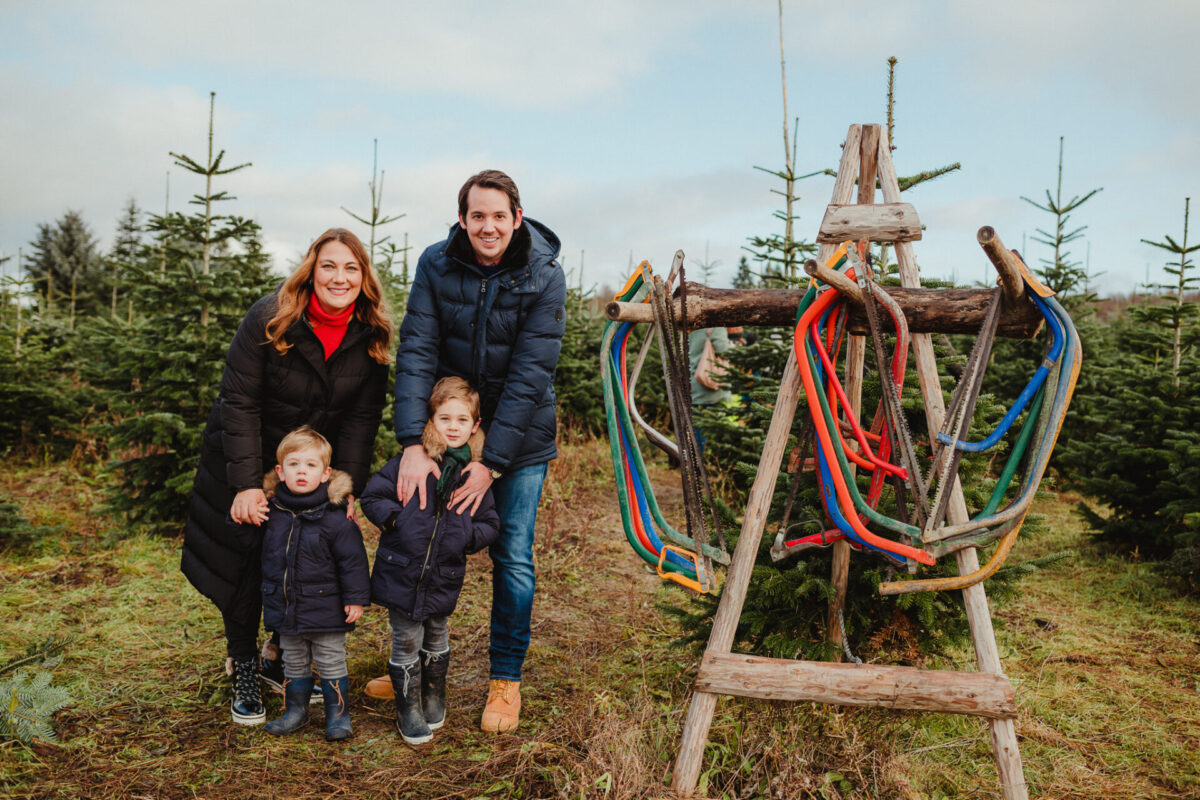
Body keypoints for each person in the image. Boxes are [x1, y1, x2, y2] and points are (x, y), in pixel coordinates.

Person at [363, 170, 565, 734]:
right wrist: (412, 444)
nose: (488, 226)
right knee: (417, 536)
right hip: (446, 431)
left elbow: (531, 374)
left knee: (513, 556)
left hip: (518, 444)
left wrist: (491, 462)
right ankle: (415, 664)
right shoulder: (437, 264)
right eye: (478, 215)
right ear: (462, 219)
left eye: (499, 215)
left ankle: (505, 679)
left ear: (517, 218)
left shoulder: (543, 274)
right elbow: (419, 349)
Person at [181, 228, 391, 726]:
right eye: (329, 267)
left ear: (364, 278)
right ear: (311, 270)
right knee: (245, 555)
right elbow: (240, 401)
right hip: (247, 456)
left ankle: (282, 655)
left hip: (309, 467)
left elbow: (363, 419)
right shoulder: (270, 316)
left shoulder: (370, 332)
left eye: (351, 269)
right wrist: (247, 484)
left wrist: (344, 486)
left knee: (304, 558)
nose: (339, 278)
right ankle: (245, 664)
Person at [360, 377, 501, 744]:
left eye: (461, 420)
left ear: (475, 426)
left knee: (437, 633)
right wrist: (396, 521)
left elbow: (490, 524)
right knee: (406, 638)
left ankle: (433, 695)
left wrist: (465, 538)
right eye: (444, 418)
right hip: (401, 572)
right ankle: (408, 709)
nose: (453, 427)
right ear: (430, 421)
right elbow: (373, 497)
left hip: (444, 574)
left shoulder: (472, 474)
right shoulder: (410, 461)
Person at [259, 427, 370, 740]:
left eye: (310, 465)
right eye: (294, 465)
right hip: (289, 606)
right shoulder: (273, 512)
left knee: (330, 658)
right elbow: (250, 542)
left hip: (328, 606)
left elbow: (353, 560)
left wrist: (356, 598)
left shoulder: (335, 516)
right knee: (294, 659)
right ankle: (296, 710)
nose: (302, 472)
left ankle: (338, 716)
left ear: (325, 474)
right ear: (281, 472)